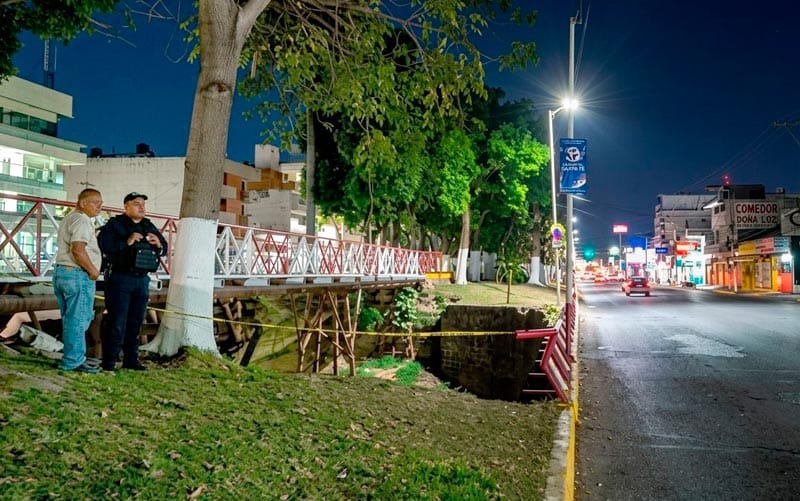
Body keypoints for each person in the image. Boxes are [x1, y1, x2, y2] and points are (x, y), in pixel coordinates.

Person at [98, 192, 167, 371]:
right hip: (120, 278)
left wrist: (158, 243)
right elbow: (104, 246)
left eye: (143, 204)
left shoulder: (148, 225)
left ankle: (131, 360)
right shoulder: (115, 225)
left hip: (142, 279)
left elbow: (164, 248)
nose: (142, 207)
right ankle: (109, 362)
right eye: (137, 204)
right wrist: (126, 242)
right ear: (126, 207)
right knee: (116, 321)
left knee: (136, 321)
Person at [53, 188, 104, 374]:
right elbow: (78, 249)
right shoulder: (82, 220)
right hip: (77, 273)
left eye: (100, 203)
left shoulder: (70, 218)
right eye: (94, 202)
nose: (99, 206)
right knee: (79, 318)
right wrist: (92, 271)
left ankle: (73, 356)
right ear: (82, 203)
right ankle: (73, 360)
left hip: (62, 272)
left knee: (70, 318)